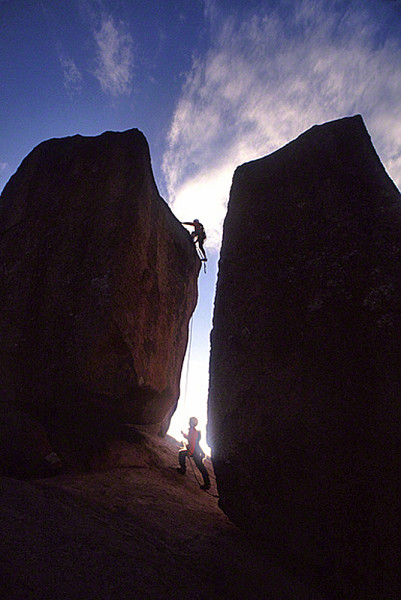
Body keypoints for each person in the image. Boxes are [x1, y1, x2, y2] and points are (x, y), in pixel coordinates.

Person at [177, 416, 210, 490]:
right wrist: (183, 434)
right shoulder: (193, 431)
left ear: (192, 423)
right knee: (200, 466)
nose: (188, 422)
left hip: (194, 451)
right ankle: (207, 483)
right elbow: (190, 438)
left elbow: (192, 442)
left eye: (190, 421)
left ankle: (183, 469)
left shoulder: (193, 431)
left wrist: (190, 452)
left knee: (200, 466)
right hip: (196, 451)